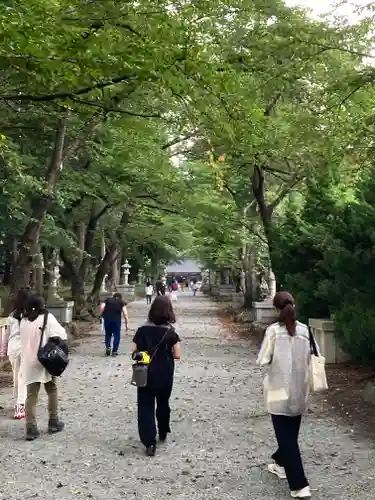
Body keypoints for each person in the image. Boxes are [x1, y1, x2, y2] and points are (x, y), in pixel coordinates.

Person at [256, 291, 315, 499]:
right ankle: (280, 463)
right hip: (300, 388)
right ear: (294, 306)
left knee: (287, 438)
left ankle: (299, 485)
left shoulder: (273, 331)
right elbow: (312, 357)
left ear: (275, 309)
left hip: (278, 389)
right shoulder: (305, 330)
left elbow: (263, 359)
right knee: (290, 433)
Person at [132, 295, 181, 457]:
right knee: (163, 402)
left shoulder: (142, 330)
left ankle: (149, 442)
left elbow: (134, 352)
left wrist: (146, 355)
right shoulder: (171, 332)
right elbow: (177, 355)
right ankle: (163, 429)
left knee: (145, 406)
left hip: (144, 373)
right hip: (165, 373)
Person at [20, 293, 67, 441]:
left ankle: (30, 428)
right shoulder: (47, 318)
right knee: (52, 389)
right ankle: (53, 421)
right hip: (45, 360)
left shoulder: (24, 321)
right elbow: (62, 334)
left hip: (28, 361)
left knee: (31, 396)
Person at [4, 288, 32, 419]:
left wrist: (3, 351)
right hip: (25, 348)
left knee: (17, 377)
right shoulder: (32, 315)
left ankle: (18, 402)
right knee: (23, 377)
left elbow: (7, 335)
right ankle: (20, 405)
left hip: (13, 349)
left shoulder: (12, 315)